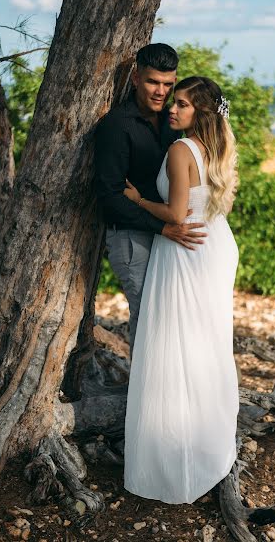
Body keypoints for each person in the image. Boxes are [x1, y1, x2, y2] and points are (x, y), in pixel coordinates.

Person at [123, 76, 240, 504]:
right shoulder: (217, 149)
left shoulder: (179, 149)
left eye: (184, 104)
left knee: (175, 344)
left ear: (201, 113)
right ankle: (203, 442)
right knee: (205, 345)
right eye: (174, 102)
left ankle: (174, 454)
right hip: (215, 247)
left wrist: (136, 200)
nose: (173, 109)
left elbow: (174, 213)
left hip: (185, 251)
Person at [95, 44, 206, 355]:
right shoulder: (117, 125)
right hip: (132, 238)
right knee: (148, 322)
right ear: (135, 78)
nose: (161, 92)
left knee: (171, 320)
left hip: (165, 235)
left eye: (168, 84)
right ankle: (142, 400)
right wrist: (162, 227)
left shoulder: (173, 121)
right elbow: (109, 196)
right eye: (152, 82)